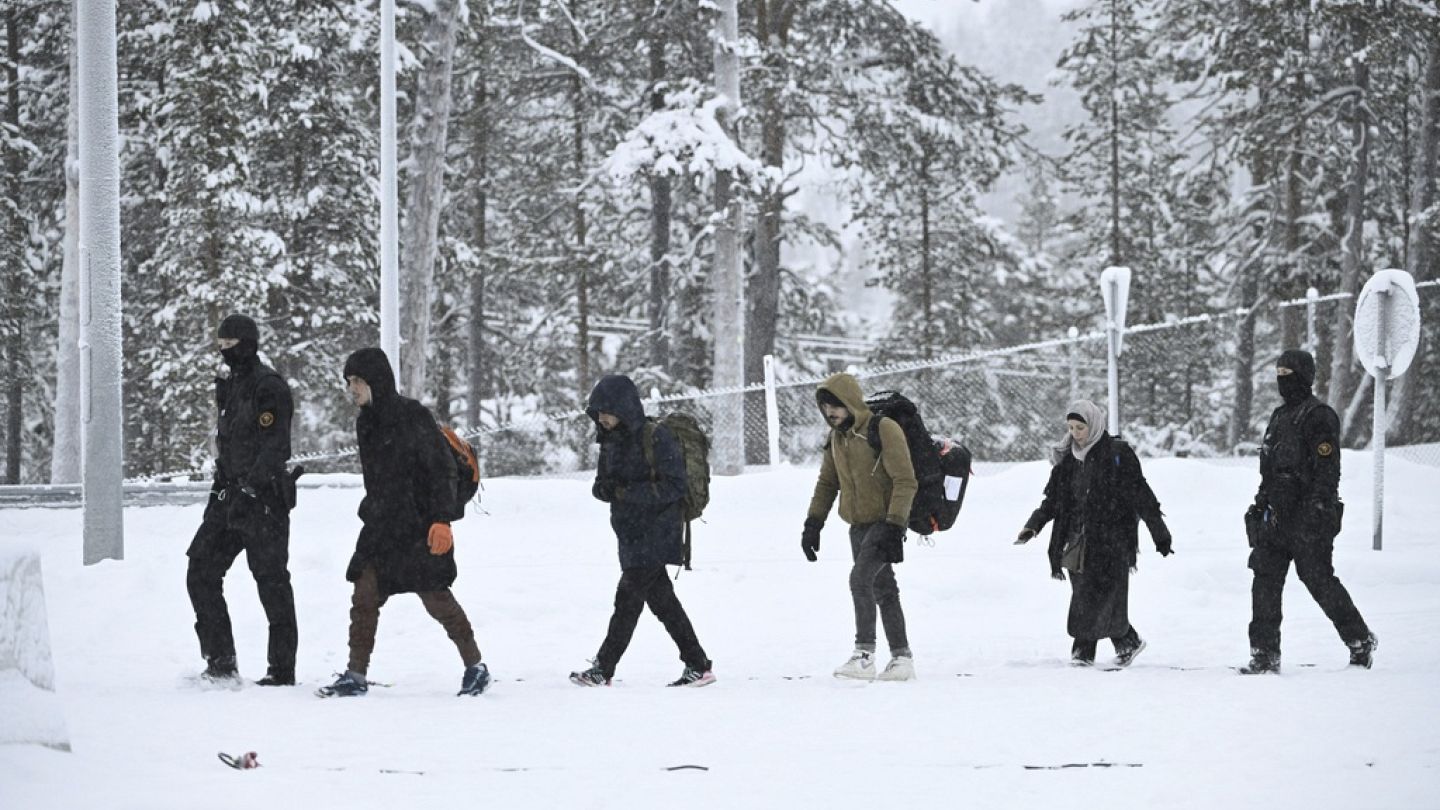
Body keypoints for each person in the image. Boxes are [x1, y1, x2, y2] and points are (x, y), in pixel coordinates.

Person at [317, 348, 490, 698]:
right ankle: (355, 674)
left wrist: (441, 520)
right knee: (364, 596)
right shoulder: (364, 421)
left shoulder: (413, 415)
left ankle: (476, 667)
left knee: (436, 598)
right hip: (381, 527)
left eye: (357, 381)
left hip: (419, 525)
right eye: (348, 381)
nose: (351, 388)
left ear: (376, 381)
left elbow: (441, 470)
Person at [569, 374, 715, 688]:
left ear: (623, 407)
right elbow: (602, 487)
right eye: (598, 412)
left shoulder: (655, 436)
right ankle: (698, 664)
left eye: (607, 411)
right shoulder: (608, 440)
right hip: (629, 532)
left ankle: (603, 669)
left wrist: (627, 492)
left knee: (627, 601)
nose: (603, 418)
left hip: (658, 530)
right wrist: (606, 489)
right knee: (663, 602)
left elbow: (675, 486)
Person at [1240, 349, 1376, 674]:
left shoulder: (1320, 416)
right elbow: (1270, 469)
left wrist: (1316, 511)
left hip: (1308, 517)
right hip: (1275, 516)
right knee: (1265, 580)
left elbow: (1328, 471)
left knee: (1317, 579)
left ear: (1304, 376)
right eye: (1279, 374)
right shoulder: (1278, 417)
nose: (1282, 380)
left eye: (1288, 373)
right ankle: (1264, 653)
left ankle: (1359, 639)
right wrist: (1260, 505)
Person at [186, 314, 300, 686]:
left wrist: (251, 490)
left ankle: (281, 671)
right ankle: (220, 661)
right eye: (220, 346)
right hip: (228, 496)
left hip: (263, 500)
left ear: (247, 344)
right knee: (201, 569)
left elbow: (275, 446)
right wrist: (221, 491)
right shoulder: (230, 385)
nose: (224, 353)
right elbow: (230, 446)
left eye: (230, 346)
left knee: (271, 582)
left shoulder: (268, 387)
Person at [1015, 400, 1173, 668]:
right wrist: (1033, 526)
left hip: (1112, 539)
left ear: (1095, 425)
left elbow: (1141, 494)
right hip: (1077, 539)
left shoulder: (1116, 453)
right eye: (1071, 427)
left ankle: (1086, 651)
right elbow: (1052, 501)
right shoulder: (1067, 460)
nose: (1075, 433)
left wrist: (1160, 533)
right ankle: (1124, 642)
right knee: (1084, 596)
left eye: (1080, 427)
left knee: (1102, 595)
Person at [803, 372, 918, 681]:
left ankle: (864, 655)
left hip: (885, 521)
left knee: (860, 580)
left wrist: (895, 524)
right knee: (884, 589)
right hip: (857, 525)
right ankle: (902, 659)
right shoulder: (836, 438)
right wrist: (813, 523)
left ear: (851, 402)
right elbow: (827, 483)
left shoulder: (883, 429)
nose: (830, 413)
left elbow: (905, 480)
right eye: (825, 407)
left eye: (836, 406)